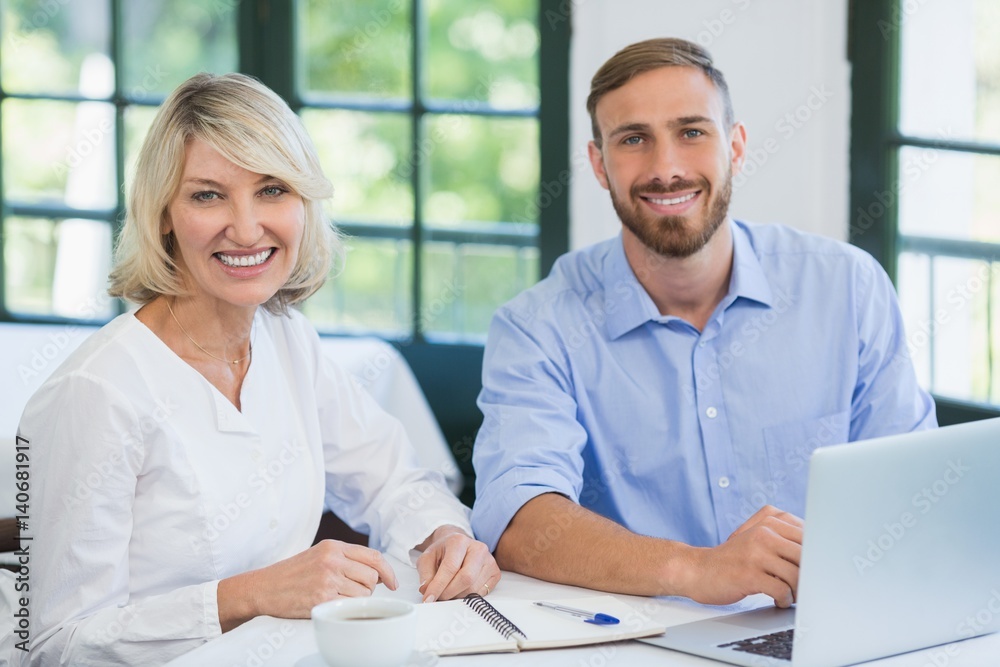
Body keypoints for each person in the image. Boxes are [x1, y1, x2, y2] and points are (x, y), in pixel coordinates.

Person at [17, 73, 499, 666]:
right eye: (207, 195)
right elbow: (53, 645)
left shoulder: (287, 338)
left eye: (272, 190)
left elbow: (393, 480)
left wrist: (444, 539)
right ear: (163, 214)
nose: (246, 229)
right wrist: (248, 595)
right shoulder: (94, 394)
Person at [470, 38, 935, 608]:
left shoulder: (847, 288)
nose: (666, 168)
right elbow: (518, 520)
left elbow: (914, 492)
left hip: (821, 630)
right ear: (599, 164)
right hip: (637, 645)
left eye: (692, 132)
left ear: (735, 147)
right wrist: (695, 570)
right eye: (634, 139)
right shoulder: (536, 328)